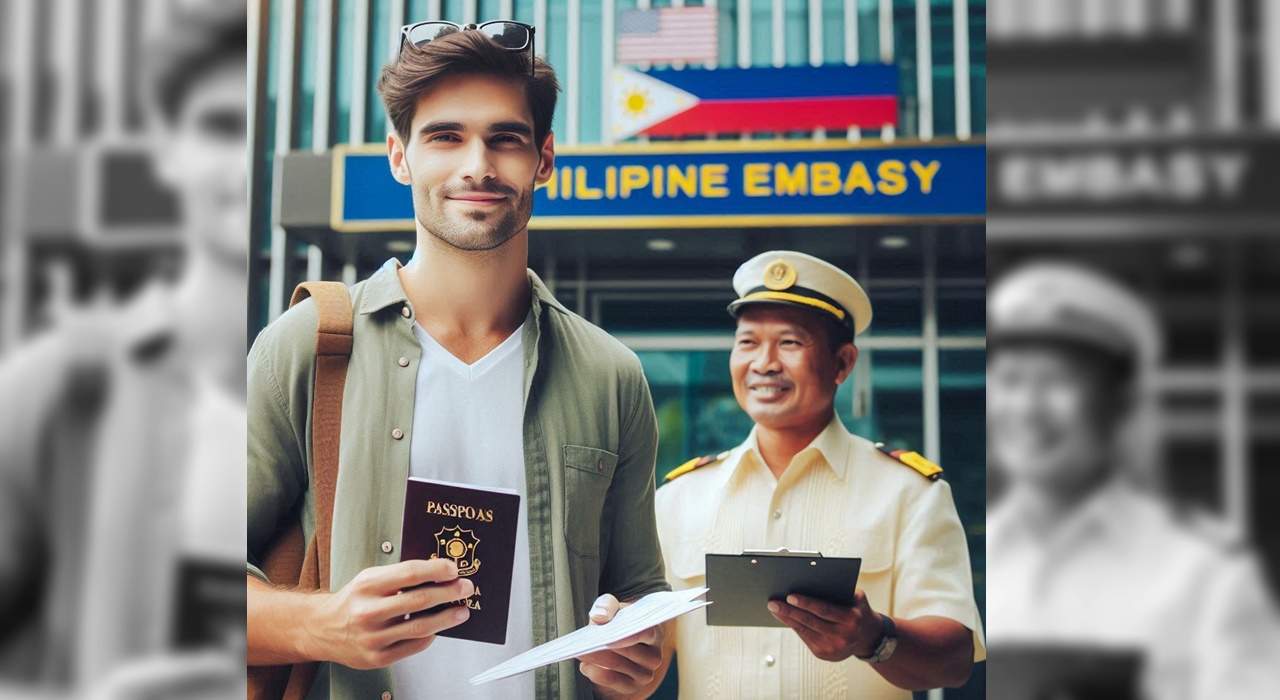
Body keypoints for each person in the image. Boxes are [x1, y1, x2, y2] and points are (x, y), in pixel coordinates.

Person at [245, 26, 669, 700]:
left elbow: (641, 592)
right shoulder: (306, 347)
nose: (478, 165)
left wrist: (642, 659)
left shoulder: (610, 374)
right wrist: (320, 624)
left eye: (506, 137)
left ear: (544, 158)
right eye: (446, 136)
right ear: (399, 155)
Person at [0, 5, 248, 698]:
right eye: (218, 127)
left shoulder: (339, 378)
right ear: (168, 152)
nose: (238, 160)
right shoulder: (57, 385)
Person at [653, 251, 985, 699]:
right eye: (748, 342)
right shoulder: (679, 497)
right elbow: (644, 667)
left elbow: (955, 659)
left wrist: (873, 637)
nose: (764, 363)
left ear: (842, 363)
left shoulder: (909, 492)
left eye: (790, 343)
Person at [986, 262, 1280, 699]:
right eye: (1010, 381)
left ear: (1118, 403)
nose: (1028, 409)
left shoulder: (1204, 570)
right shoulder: (975, 549)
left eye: (1055, 382)